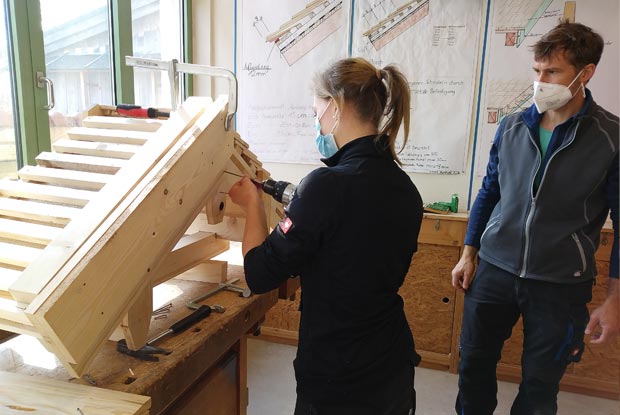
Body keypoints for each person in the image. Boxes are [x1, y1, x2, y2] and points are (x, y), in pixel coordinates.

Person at [229, 57, 423, 415]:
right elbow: (351, 252)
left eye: (317, 113)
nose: (317, 123)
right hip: (391, 366)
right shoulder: (406, 189)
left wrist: (252, 206)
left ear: (336, 106)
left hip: (338, 379)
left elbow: (258, 274)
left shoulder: (325, 187)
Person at [451, 21, 619, 415]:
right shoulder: (512, 126)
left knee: (540, 386)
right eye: (537, 71)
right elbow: (489, 192)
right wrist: (468, 253)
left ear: (585, 73)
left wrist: (615, 301)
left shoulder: (610, 138)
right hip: (494, 270)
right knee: (472, 366)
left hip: (560, 285)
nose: (540, 82)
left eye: (553, 72)